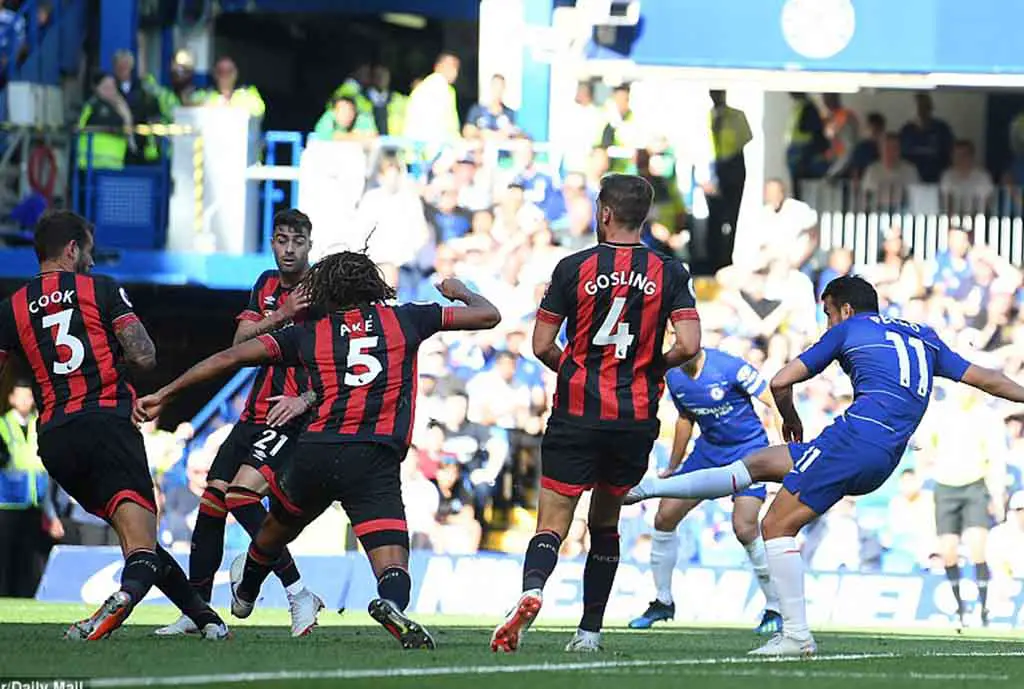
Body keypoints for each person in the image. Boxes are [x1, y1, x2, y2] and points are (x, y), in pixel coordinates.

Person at [626, 275, 1024, 656]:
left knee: (775, 526)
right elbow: (987, 379)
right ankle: (647, 489)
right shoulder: (923, 336)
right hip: (883, 453)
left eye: (829, 314)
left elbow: (780, 381)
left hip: (854, 439)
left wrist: (790, 418)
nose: (828, 323)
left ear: (845, 310)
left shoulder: (848, 329)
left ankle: (796, 635)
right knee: (759, 463)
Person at [135, 253, 501, 649]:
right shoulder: (408, 318)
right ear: (373, 284)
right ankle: (391, 604)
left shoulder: (309, 332)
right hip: (373, 459)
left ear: (326, 290)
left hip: (316, 452)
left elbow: (230, 357)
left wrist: (166, 393)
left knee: (274, 531)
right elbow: (488, 315)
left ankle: (248, 587)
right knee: (393, 561)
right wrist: (459, 291)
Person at [490, 174, 702, 653]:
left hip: (577, 413)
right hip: (633, 419)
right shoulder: (670, 272)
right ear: (643, 216)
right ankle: (589, 632)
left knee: (552, 523)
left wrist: (576, 371)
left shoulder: (572, 267)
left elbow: (541, 344)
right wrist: (650, 367)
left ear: (604, 213)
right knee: (605, 524)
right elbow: (690, 345)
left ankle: (532, 590)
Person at [0, 210, 228, 640]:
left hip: (56, 442)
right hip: (106, 425)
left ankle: (207, 619)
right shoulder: (101, 288)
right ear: (72, 249)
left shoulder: (10, 308)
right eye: (88, 251)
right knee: (141, 543)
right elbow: (145, 355)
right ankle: (121, 600)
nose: (90, 260)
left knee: (138, 538)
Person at [155, 209, 321, 638]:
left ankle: (298, 591)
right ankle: (198, 611)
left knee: (241, 497)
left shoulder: (322, 291)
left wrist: (305, 399)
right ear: (272, 242)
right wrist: (280, 313)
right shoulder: (266, 284)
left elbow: (334, 358)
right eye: (282, 240)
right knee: (211, 503)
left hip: (290, 415)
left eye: (297, 241)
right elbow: (238, 345)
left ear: (310, 244)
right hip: (253, 414)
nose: (289, 249)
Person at [627, 348, 781, 634]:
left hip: (749, 451)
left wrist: (786, 447)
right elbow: (685, 419)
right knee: (665, 516)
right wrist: (673, 465)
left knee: (744, 527)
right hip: (708, 453)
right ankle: (662, 601)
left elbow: (773, 400)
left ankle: (775, 606)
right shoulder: (673, 375)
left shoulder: (730, 367)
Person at [0, 380, 59, 598]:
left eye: (29, 396)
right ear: (12, 399)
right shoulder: (3, 425)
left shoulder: (39, 424)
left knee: (28, 557)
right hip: (6, 502)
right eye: (21, 396)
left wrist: (51, 513)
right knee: (5, 555)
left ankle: (25, 596)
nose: (25, 401)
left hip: (34, 501)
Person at [704, 90, 751, 271]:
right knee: (714, 217)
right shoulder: (707, 116)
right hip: (714, 168)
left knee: (731, 216)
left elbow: (745, 138)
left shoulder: (736, 115)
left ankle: (727, 258)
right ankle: (712, 260)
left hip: (732, 166)